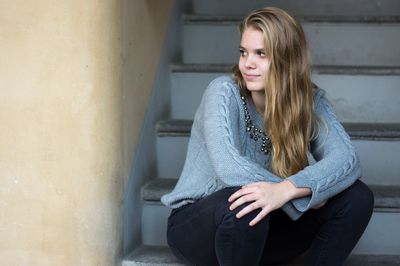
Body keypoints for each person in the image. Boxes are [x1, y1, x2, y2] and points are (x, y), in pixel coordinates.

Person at [161, 7, 374, 266]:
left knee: (357, 197)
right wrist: (301, 195)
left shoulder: (309, 100)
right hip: (200, 227)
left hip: (264, 227)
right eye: (243, 52)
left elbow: (347, 160)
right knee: (244, 202)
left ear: (286, 58)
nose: (247, 63)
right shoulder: (223, 92)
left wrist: (287, 190)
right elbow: (228, 168)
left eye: (261, 54)